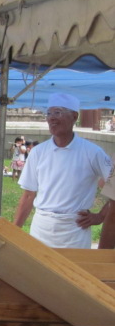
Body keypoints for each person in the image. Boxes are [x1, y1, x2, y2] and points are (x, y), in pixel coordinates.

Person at [14, 93, 112, 248]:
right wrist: (14, 232)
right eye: (49, 113)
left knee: (74, 265)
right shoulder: (38, 152)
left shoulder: (93, 152)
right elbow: (28, 195)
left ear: (74, 116)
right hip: (41, 229)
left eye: (58, 112)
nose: (51, 118)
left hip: (75, 231)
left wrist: (100, 216)